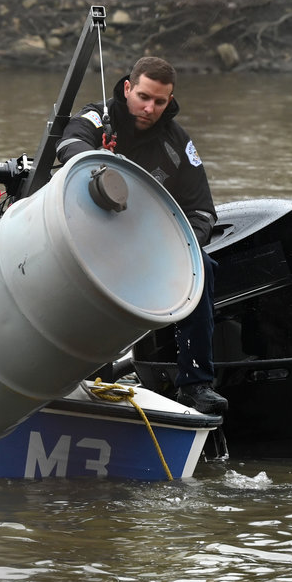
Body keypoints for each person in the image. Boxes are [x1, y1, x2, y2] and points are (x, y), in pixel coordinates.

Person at [55, 56, 227, 415]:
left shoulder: (177, 143)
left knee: (204, 269)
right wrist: (100, 168)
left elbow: (202, 210)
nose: (149, 108)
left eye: (160, 102)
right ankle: (88, 375)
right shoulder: (97, 117)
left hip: (143, 247)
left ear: (170, 100)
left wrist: (185, 249)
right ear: (128, 88)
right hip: (84, 237)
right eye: (143, 97)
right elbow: (68, 144)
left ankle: (195, 384)